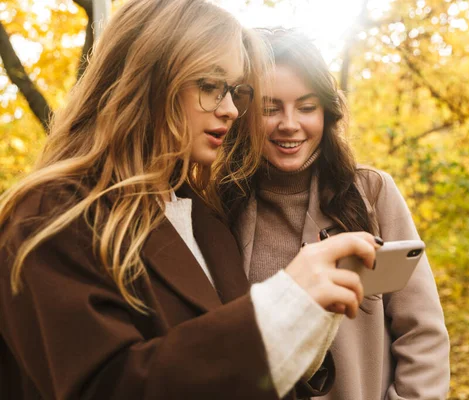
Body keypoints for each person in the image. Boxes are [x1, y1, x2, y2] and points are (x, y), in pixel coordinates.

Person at [0, 3, 382, 399]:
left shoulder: (204, 216)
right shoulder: (53, 214)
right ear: (149, 79)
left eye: (235, 91)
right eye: (209, 86)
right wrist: (284, 306)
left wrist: (309, 319)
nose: (231, 109)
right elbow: (109, 385)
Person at [213, 28, 450, 400]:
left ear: (327, 112)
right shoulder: (217, 204)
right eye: (270, 109)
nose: (289, 124)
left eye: (306, 107)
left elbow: (422, 332)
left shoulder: (372, 192)